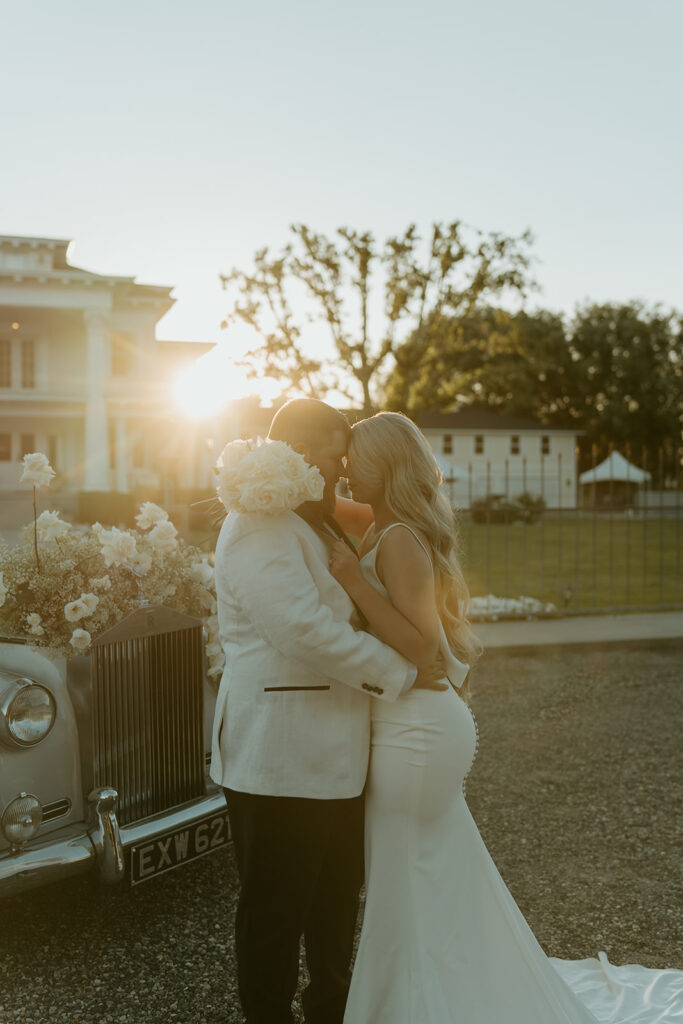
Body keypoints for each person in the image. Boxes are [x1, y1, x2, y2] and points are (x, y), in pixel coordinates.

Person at [329, 411, 682, 1024]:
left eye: (355, 459)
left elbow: (426, 650)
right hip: (414, 725)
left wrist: (353, 586)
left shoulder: (401, 540)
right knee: (423, 876)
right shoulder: (385, 527)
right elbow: (328, 509)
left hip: (418, 732)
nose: (344, 470)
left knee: (405, 879)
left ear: (385, 467)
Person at [209, 399, 446, 1024]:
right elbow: (302, 630)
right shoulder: (259, 520)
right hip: (280, 755)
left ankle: (332, 1012)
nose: (338, 462)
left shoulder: (314, 520)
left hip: (341, 756)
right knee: (275, 912)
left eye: (341, 448)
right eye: (326, 447)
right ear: (287, 446)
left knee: (336, 906)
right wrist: (400, 672)